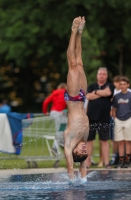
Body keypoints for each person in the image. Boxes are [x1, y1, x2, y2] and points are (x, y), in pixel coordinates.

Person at [63, 16, 89, 182]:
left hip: (73, 98)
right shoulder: (83, 138)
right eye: (85, 152)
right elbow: (83, 166)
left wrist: (72, 181)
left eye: (82, 151)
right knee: (79, 63)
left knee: (72, 64)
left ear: (74, 152)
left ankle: (73, 31)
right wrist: (84, 181)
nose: (85, 149)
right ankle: (80, 33)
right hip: (82, 97)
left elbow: (71, 166)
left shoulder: (70, 141)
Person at [86, 67, 114, 168]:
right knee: (89, 141)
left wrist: (95, 92)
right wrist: (101, 93)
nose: (101, 75)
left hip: (104, 117)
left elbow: (108, 93)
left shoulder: (110, 85)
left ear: (106, 76)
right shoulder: (91, 86)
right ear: (97, 75)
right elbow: (88, 97)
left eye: (103, 74)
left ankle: (106, 162)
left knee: (104, 140)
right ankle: (87, 162)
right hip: (91, 117)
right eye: (100, 74)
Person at [42, 83, 67, 155]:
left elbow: (45, 102)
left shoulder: (54, 93)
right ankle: (55, 147)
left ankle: (61, 141)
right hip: (60, 113)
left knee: (61, 129)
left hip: (53, 112)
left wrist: (45, 112)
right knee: (60, 130)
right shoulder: (66, 93)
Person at [112, 76, 131, 168]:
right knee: (120, 141)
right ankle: (121, 160)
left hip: (128, 119)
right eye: (121, 84)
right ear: (119, 85)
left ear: (128, 85)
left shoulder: (130, 95)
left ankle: (127, 161)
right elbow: (114, 109)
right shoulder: (116, 96)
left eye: (124, 84)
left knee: (128, 141)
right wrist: (115, 118)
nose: (122, 86)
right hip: (119, 119)